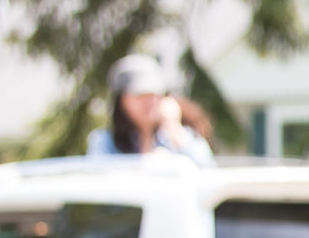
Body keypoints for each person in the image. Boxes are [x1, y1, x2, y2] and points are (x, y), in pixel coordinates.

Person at [87, 54, 215, 165]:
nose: (150, 101)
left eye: (155, 94)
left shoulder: (180, 137)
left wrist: (174, 129)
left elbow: (207, 168)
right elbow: (98, 178)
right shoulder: (104, 142)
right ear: (122, 100)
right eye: (141, 95)